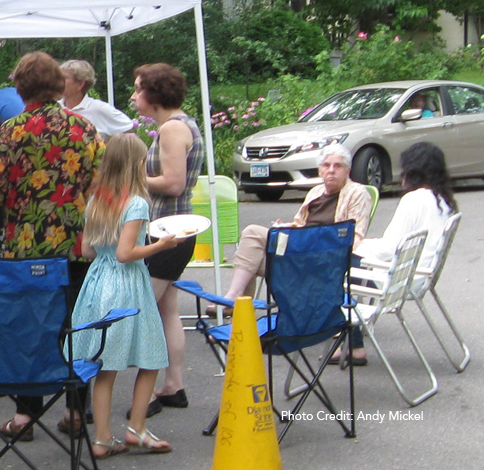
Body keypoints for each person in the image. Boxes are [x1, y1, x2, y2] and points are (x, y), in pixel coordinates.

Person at [0, 51, 104, 440]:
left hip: (25, 248)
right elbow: (101, 186)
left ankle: (24, 415)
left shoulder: (9, 131)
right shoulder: (84, 129)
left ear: (19, 87)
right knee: (75, 323)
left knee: (28, 330)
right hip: (75, 243)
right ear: (57, 84)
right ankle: (74, 409)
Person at [72, 133, 178, 459]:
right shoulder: (136, 203)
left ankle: (102, 438)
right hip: (126, 285)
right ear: (137, 165)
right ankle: (137, 427)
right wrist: (161, 245)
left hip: (96, 282)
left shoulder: (96, 199)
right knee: (152, 357)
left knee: (105, 365)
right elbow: (125, 253)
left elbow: (88, 249)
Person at [216, 145, 372, 308]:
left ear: (347, 171)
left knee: (252, 247)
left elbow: (355, 237)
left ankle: (233, 306)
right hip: (297, 250)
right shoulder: (315, 192)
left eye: (337, 166)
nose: (331, 170)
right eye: (326, 165)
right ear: (320, 171)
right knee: (252, 243)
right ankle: (236, 308)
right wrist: (285, 227)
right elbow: (300, 225)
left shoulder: (357, 193)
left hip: (320, 259)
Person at [131, 63, 202, 417]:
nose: (133, 96)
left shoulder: (173, 129)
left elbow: (173, 183)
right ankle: (174, 385)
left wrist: (132, 178)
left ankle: (146, 399)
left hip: (168, 231)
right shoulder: (177, 125)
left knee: (142, 312)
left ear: (154, 94)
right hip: (172, 229)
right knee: (166, 309)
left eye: (137, 88)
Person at [344, 142, 457, 364]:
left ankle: (353, 343)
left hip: (400, 280)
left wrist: (357, 246)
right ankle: (354, 332)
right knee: (356, 259)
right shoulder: (442, 200)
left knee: (339, 264)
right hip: (422, 275)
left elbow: (389, 249)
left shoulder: (413, 200)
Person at [59, 59, 133, 137]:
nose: (58, 81)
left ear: (81, 84)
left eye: (64, 78)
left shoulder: (99, 108)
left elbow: (128, 130)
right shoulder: (55, 107)